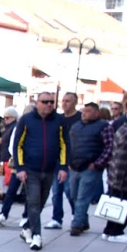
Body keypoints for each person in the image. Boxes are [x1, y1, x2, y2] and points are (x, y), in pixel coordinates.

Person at [13, 93, 68, 251]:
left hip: (49, 169)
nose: (49, 105)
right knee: (33, 202)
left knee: (41, 202)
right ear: (37, 103)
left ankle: (28, 228)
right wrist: (20, 168)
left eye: (52, 102)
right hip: (31, 169)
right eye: (45, 102)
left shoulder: (59, 120)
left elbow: (64, 144)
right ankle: (37, 235)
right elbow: (18, 145)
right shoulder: (27, 119)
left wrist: (63, 167)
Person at [67, 100, 109, 236]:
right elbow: (69, 144)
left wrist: (98, 164)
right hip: (74, 166)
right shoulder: (76, 126)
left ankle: (77, 224)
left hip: (90, 167)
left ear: (97, 113)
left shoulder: (104, 126)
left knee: (82, 197)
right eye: (84, 111)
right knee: (72, 195)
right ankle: (83, 221)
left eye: (88, 111)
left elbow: (110, 147)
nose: (84, 114)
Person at [103, 105, 127, 243]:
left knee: (117, 205)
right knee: (124, 205)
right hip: (125, 179)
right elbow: (121, 158)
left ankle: (109, 230)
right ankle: (116, 231)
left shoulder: (124, 129)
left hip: (119, 177)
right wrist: (117, 182)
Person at [43, 92, 80, 230]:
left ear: (75, 102)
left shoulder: (79, 118)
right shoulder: (58, 118)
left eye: (68, 101)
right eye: (63, 101)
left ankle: (78, 215)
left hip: (72, 161)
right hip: (57, 159)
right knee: (56, 191)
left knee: (70, 190)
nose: (64, 103)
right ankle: (56, 218)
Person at [0, 107, 25, 227]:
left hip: (28, 163)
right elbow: (13, 145)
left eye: (7, 117)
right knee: (11, 188)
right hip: (16, 162)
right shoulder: (17, 127)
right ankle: (4, 213)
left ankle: (26, 216)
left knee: (29, 191)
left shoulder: (17, 127)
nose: (5, 120)